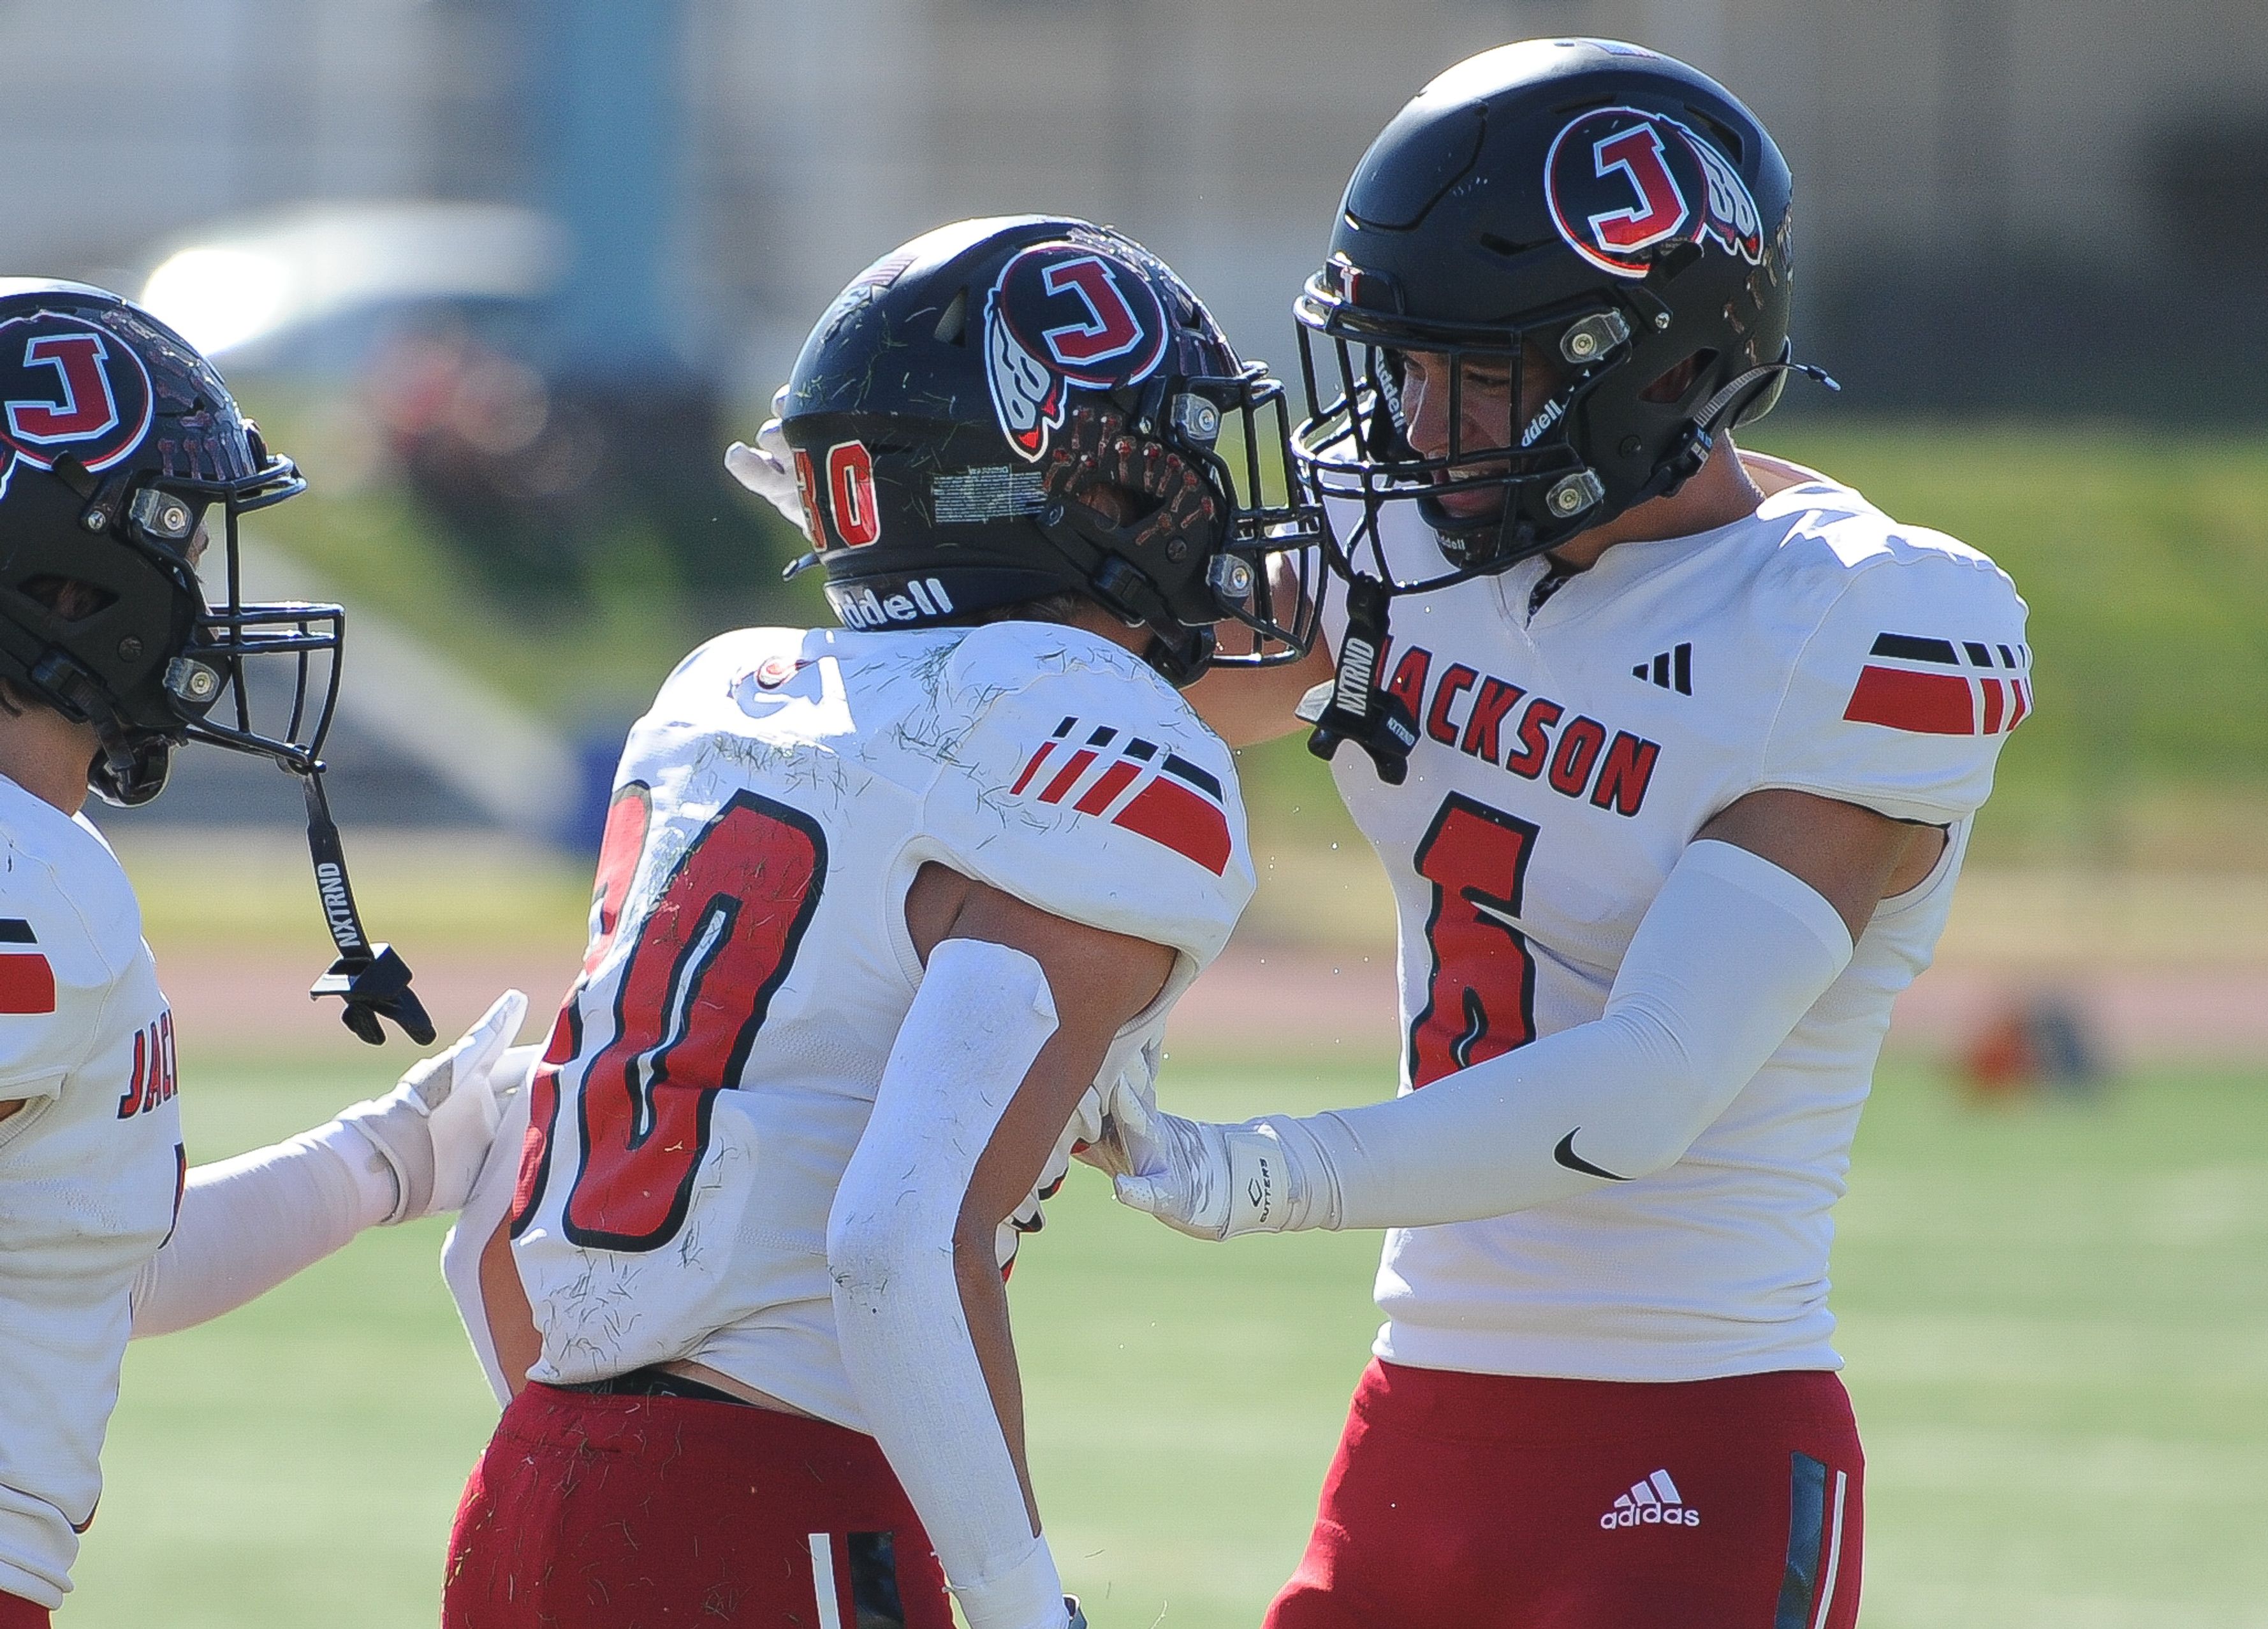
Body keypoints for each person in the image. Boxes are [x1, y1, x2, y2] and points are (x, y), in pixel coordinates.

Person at [1106, 40, 2032, 1629]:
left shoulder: (1849, 623)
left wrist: (1250, 1172)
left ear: (1654, 368)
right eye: (1399, 361)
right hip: (1418, 1413)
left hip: (1692, 1431)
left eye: (1477, 371)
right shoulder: (1407, 530)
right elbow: (1113, 707)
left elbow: (1651, 1081)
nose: (1410, 419)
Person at [435, 217, 1321, 1629]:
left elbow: (488, 1244)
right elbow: (896, 1244)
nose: (1199, 517)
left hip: (532, 1483)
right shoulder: (1082, 750)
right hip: (786, 1501)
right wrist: (1028, 1607)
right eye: (1151, 478)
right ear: (1038, 498)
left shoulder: (735, 698)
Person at [0, 281, 530, 1627]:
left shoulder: (57, 871)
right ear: (70, 577)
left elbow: (102, 1260)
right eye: (178, 550)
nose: (202, 603)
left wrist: (392, 1157)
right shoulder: (35, 880)